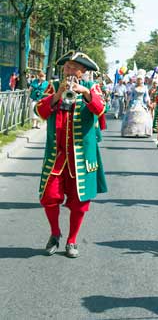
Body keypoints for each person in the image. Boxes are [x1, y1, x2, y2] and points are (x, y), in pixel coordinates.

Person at [35, 50, 107, 258]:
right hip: (57, 155)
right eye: (66, 67)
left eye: (74, 68)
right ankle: (55, 233)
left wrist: (84, 92)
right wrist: (58, 95)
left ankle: (72, 240)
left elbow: (101, 110)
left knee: (80, 201)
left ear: (83, 71)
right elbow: (40, 111)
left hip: (81, 156)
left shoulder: (92, 88)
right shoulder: (54, 86)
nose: (69, 71)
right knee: (49, 197)